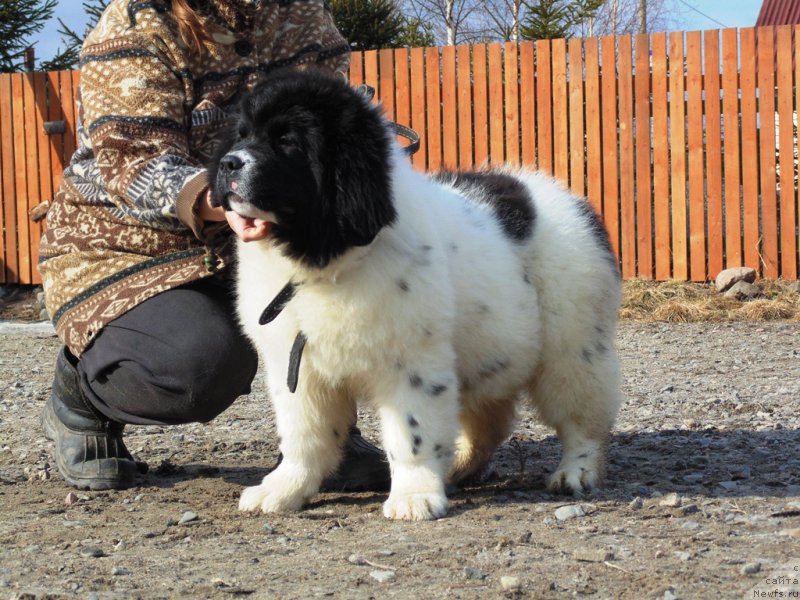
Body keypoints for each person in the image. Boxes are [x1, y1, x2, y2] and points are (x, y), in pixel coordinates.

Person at [38, 0, 389, 491]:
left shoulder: (302, 13)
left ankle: (325, 438)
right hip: (128, 248)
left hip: (264, 236)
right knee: (200, 365)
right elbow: (134, 162)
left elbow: (329, 120)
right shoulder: (140, 22)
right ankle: (80, 394)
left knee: (352, 285)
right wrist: (225, 199)